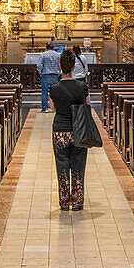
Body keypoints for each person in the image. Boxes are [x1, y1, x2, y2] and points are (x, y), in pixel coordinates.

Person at [49, 48, 90, 211]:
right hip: (78, 130)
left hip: (60, 130)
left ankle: (65, 201)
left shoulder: (54, 87)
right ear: (73, 67)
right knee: (78, 166)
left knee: (62, 166)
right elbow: (87, 105)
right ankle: (78, 201)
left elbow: (53, 107)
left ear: (60, 66)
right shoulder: (82, 86)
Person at [35, 41, 61, 112]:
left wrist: (40, 71)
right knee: (55, 92)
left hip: (45, 74)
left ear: (46, 47)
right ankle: (55, 107)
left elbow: (39, 64)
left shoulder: (43, 55)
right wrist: (59, 71)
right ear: (53, 47)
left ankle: (45, 108)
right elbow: (60, 64)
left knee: (44, 92)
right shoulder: (57, 55)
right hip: (54, 75)